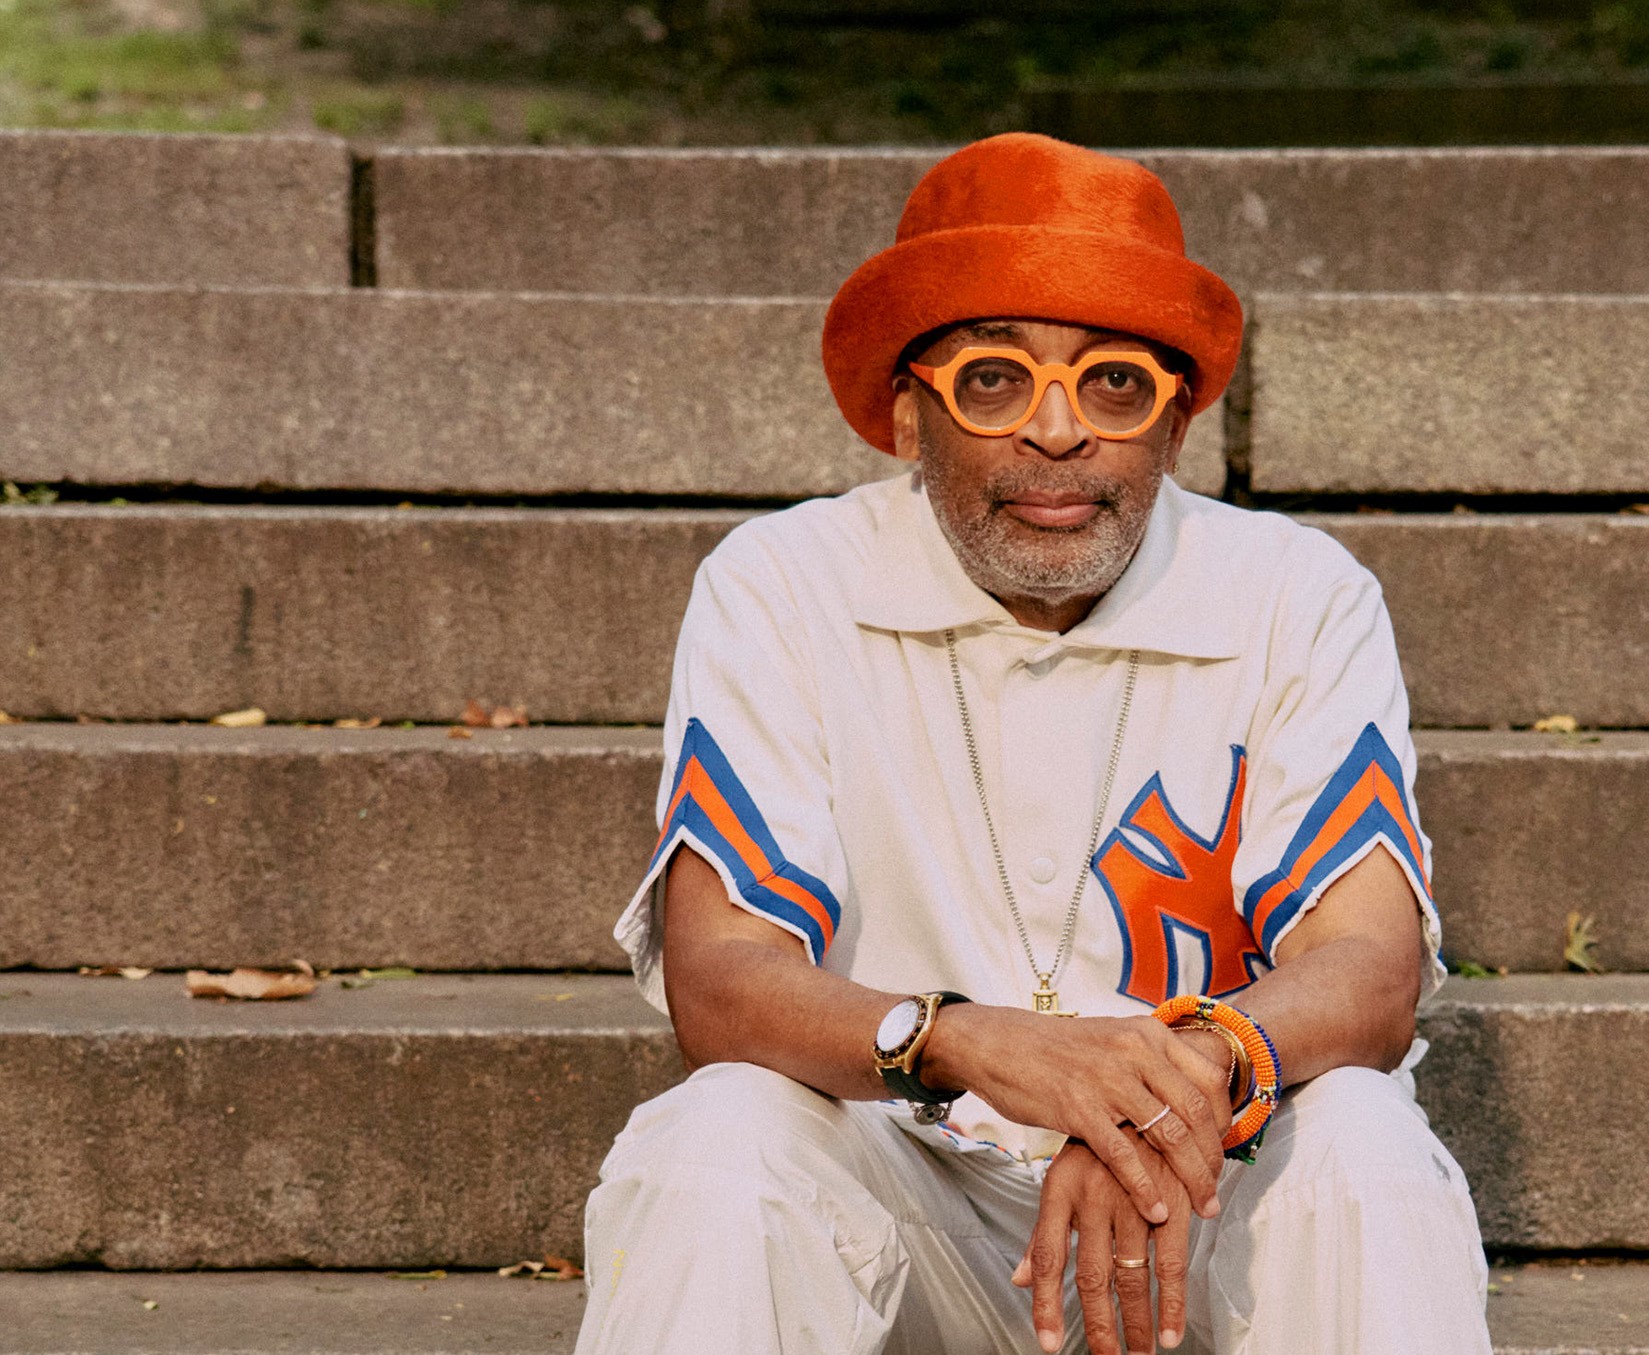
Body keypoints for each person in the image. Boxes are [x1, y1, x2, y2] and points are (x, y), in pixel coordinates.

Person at [575, 132, 1492, 1355]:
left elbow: (1367, 965)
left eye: (1113, 383)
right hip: (907, 1195)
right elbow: (721, 974)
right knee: (717, 1135)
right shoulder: (782, 582)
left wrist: (1160, 1089)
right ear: (908, 413)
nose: (1056, 432)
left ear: (1175, 424)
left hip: (1200, 1208)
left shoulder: (1295, 590)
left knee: (1364, 1140)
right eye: (993, 380)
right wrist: (971, 1041)